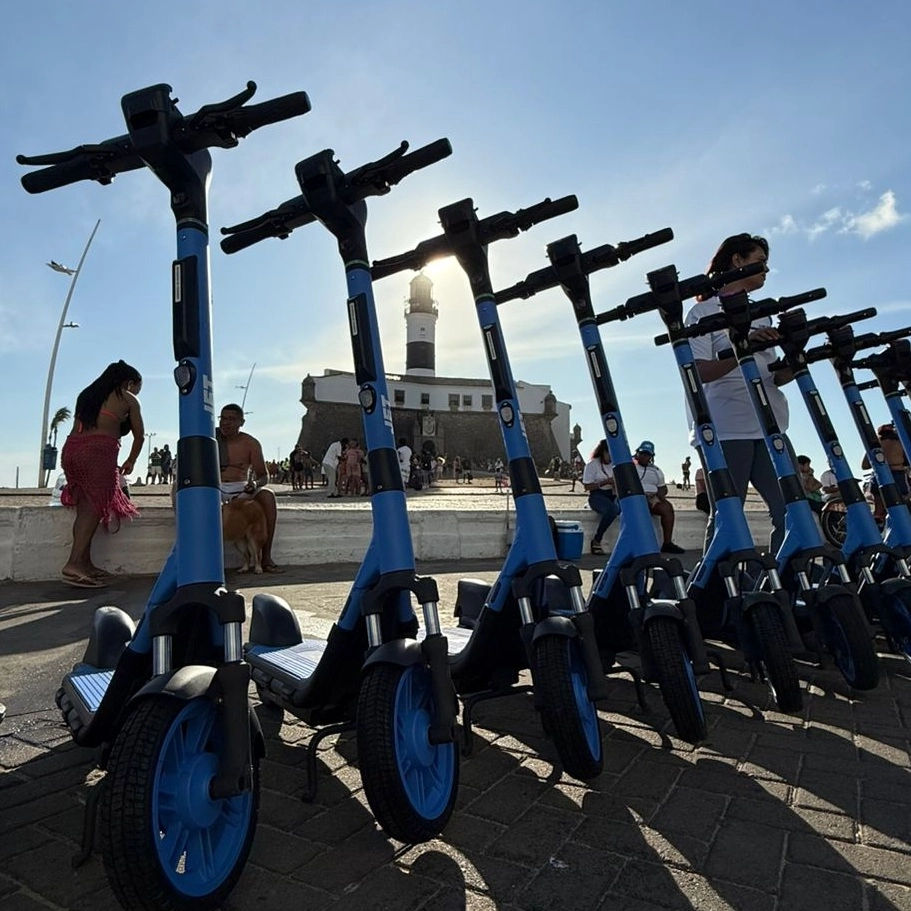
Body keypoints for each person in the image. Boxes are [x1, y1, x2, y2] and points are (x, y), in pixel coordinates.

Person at [685, 232, 790, 555]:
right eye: (759, 262)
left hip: (770, 423)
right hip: (726, 427)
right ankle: (714, 588)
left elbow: (771, 373)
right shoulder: (702, 314)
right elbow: (700, 371)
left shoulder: (763, 313)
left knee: (791, 510)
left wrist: (795, 355)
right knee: (728, 514)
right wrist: (743, 347)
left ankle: (785, 583)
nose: (766, 270)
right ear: (737, 261)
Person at [59, 360, 144, 588]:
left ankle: (84, 563)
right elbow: (139, 436)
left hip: (71, 451)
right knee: (94, 509)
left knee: (86, 508)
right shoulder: (127, 398)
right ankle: (74, 564)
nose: (136, 392)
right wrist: (131, 460)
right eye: (137, 387)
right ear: (129, 382)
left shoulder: (88, 395)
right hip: (97, 452)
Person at [217, 403, 282, 572]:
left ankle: (265, 557)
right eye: (223, 418)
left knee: (268, 496)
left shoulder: (250, 443)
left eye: (231, 419)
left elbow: (264, 476)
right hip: (215, 488)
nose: (226, 423)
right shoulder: (210, 438)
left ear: (241, 422)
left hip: (241, 488)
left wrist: (254, 485)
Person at [633, 441, 685, 554]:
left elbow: (663, 488)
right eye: (642, 454)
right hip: (636, 499)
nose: (644, 457)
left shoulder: (656, 470)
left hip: (652, 499)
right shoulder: (631, 468)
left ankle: (667, 543)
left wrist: (657, 497)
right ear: (637, 453)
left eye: (647, 455)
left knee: (667, 507)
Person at [861, 423, 910, 520]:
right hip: (898, 475)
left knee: (878, 510)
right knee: (904, 501)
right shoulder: (901, 443)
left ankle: (878, 523)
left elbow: (864, 466)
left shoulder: (874, 445)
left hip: (878, 477)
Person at [582, 440, 619, 555]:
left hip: (612, 494)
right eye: (609, 453)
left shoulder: (615, 465)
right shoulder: (592, 465)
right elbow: (587, 486)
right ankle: (597, 539)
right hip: (597, 495)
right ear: (603, 452)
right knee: (612, 510)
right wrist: (604, 482)